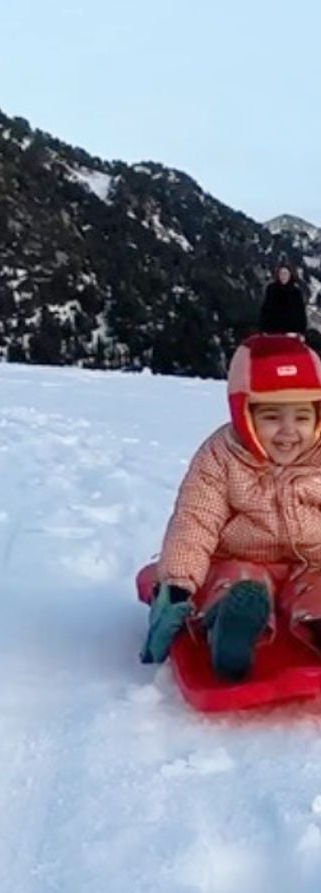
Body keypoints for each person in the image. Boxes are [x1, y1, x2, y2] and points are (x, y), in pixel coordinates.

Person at [139, 333, 321, 682]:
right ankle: (230, 628)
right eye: (271, 417)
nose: (288, 432)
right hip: (244, 557)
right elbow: (196, 520)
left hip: (312, 561)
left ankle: (316, 624)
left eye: (301, 417)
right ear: (244, 413)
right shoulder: (223, 457)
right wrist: (176, 586)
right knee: (235, 582)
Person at [259, 262, 308, 336]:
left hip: (291, 332)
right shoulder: (271, 289)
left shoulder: (296, 292)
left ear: (290, 275)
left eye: (285, 273)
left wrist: (300, 332)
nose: (283, 276)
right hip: (272, 332)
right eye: (281, 273)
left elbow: (301, 314)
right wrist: (264, 329)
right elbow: (265, 310)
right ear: (278, 275)